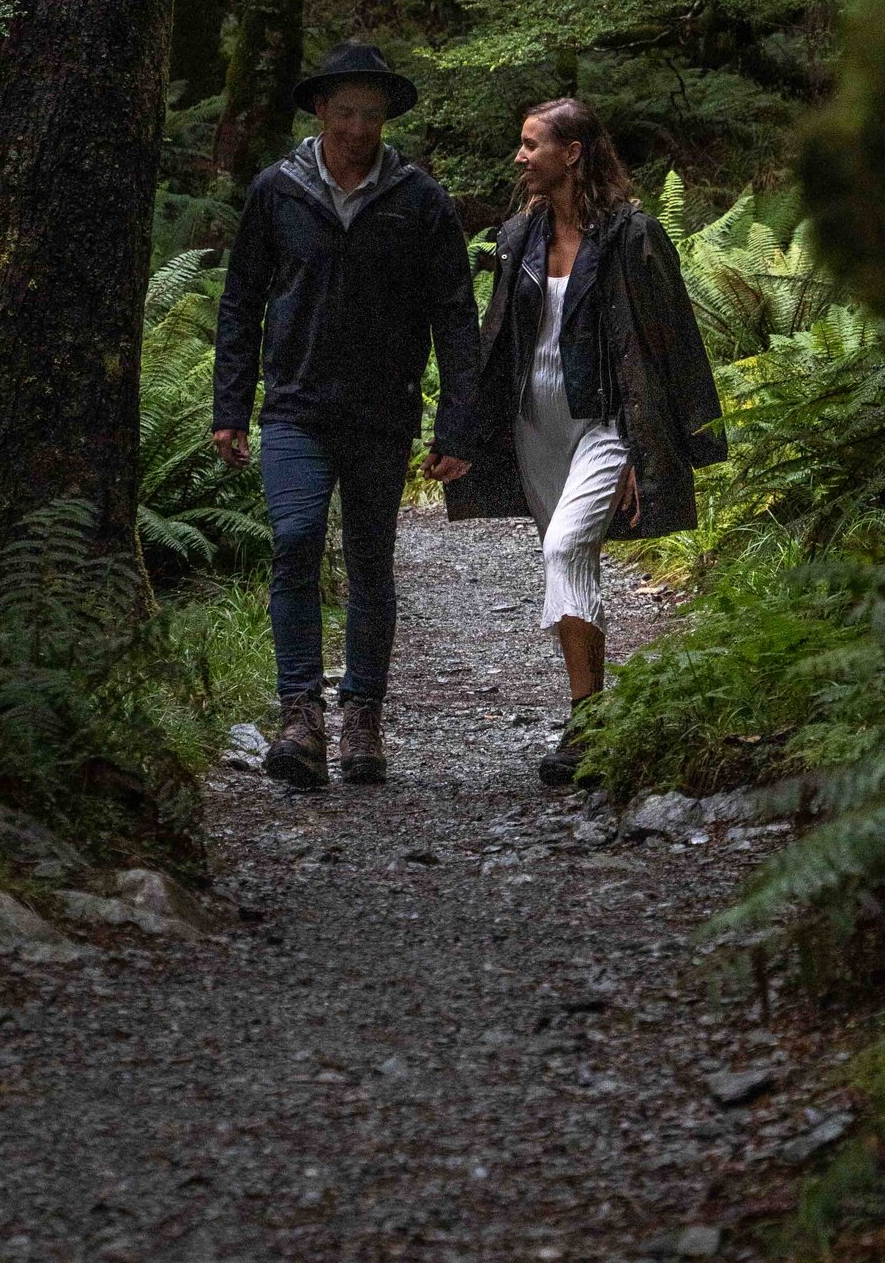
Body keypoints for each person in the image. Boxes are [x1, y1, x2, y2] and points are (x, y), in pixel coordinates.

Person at [212, 42, 480, 793]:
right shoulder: (277, 190)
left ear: (386, 116)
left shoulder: (419, 198)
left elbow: (455, 315)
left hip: (381, 412)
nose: (360, 126)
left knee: (370, 562)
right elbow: (240, 303)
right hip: (295, 406)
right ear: (321, 110)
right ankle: (300, 714)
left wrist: (457, 426)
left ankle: (363, 715)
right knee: (295, 542)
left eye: (372, 113)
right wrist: (229, 406)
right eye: (346, 111)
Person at [447, 97, 727, 785]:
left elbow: (669, 342)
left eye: (531, 144)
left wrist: (658, 443)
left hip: (602, 422)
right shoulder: (518, 236)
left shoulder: (633, 236)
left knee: (565, 546)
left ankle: (584, 717)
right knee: (573, 563)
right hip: (532, 424)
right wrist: (461, 431)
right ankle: (590, 721)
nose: (520, 157)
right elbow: (497, 343)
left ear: (571, 153)